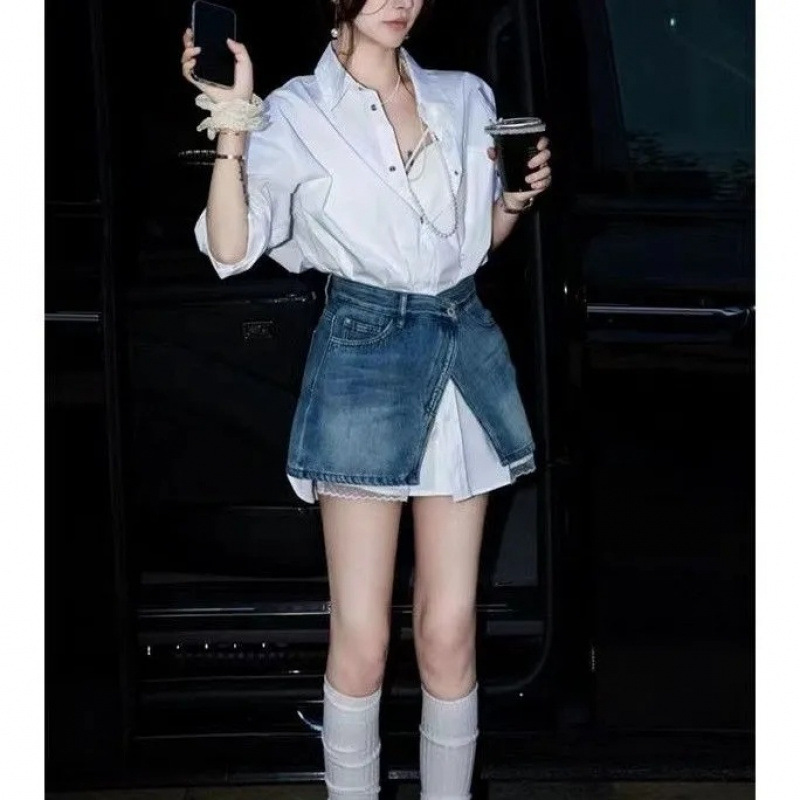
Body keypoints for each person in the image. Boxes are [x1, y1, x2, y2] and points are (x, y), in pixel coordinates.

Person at [180, 0, 551, 796]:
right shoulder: (296, 111)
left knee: (450, 633)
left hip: (460, 348)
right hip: (365, 356)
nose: (402, 1)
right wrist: (234, 122)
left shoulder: (465, 96)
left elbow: (469, 245)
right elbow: (230, 248)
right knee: (361, 641)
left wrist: (514, 202)